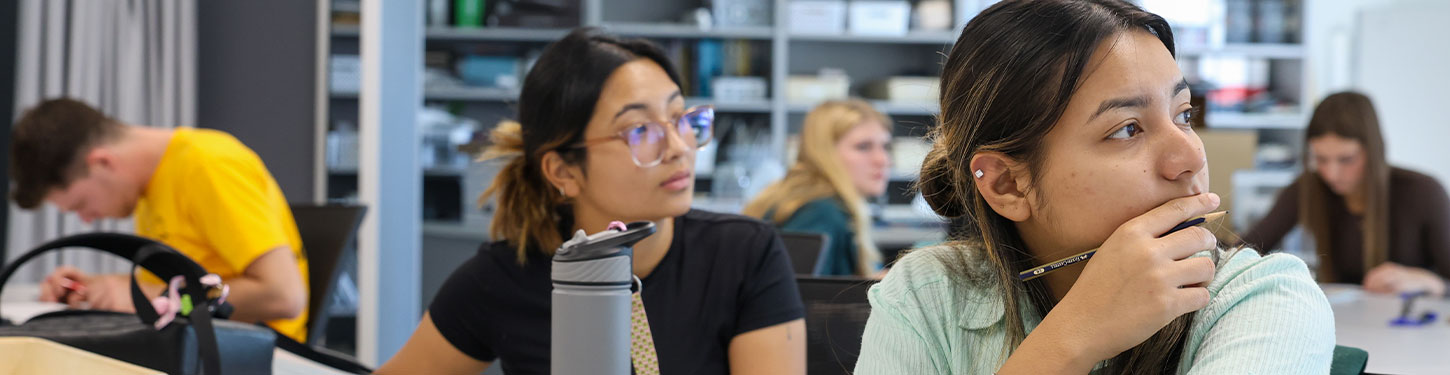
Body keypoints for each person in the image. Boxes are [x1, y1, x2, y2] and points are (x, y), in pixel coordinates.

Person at [852, 1, 1334, 374]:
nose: (1190, 157)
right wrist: (1074, 338)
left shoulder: (1263, 298)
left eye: (1184, 115)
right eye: (1127, 128)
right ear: (1007, 185)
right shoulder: (927, 293)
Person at [376, 27, 805, 375]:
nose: (679, 147)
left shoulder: (745, 254)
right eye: (639, 130)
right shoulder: (503, 278)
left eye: (680, 118)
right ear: (563, 171)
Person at [10, 99, 310, 342]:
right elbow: (185, 286)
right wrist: (98, 289)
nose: (86, 220)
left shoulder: (208, 165)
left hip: (258, 354)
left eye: (81, 205)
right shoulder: (149, 188)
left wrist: (143, 295)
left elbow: (284, 296)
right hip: (196, 343)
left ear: (102, 162)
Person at [1242, 92, 1450, 296]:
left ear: (1372, 151)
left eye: (1346, 159)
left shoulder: (1424, 193)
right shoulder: (1308, 187)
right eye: (1321, 159)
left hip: (1411, 324)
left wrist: (1432, 283)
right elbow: (1245, 250)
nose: (1332, 174)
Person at [744, 99, 892, 277]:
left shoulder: (796, 196)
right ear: (824, 152)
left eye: (885, 146)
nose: (882, 160)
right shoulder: (821, 211)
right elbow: (802, 296)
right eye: (863, 147)